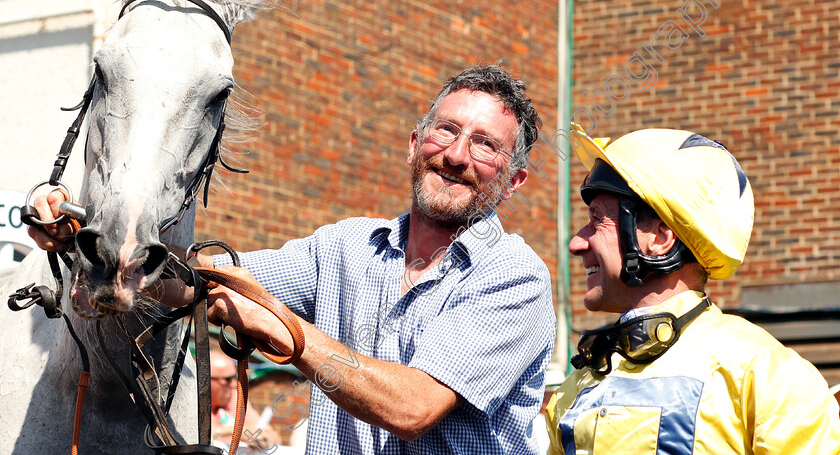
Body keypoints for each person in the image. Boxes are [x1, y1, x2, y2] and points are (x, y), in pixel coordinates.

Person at [31, 65, 556, 453]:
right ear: (415, 143)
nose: (458, 155)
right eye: (447, 130)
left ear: (514, 182)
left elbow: (413, 407)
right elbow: (198, 284)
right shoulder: (346, 247)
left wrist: (290, 334)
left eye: (486, 145)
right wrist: (91, 241)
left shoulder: (515, 278)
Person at [545, 125, 840, 454]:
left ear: (659, 237)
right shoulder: (576, 387)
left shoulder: (767, 376)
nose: (575, 243)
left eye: (597, 220)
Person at [209, 349, 282, 453]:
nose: (234, 384)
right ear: (207, 379)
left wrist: (266, 440)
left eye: (235, 377)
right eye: (228, 379)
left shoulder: (234, 397)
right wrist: (235, 432)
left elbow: (275, 437)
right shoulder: (192, 400)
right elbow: (193, 436)